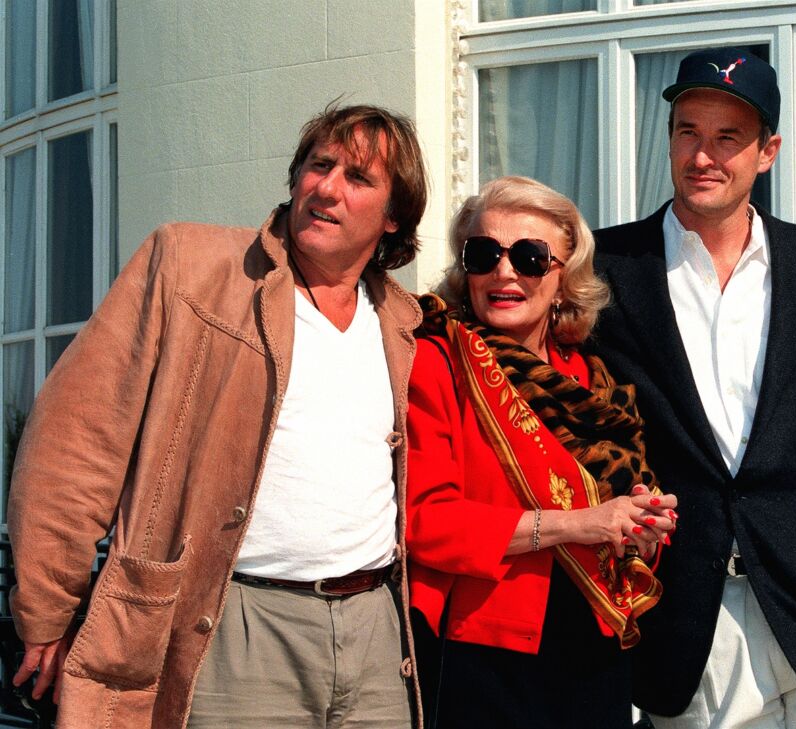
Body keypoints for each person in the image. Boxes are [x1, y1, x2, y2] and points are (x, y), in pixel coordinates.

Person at [7, 103, 429, 729]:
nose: (327, 188)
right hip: (234, 624)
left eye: (358, 178)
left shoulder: (406, 323)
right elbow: (78, 440)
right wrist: (46, 607)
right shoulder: (190, 265)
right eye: (319, 165)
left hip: (374, 629)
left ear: (394, 217)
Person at [592, 48, 796, 727]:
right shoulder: (606, 271)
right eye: (688, 132)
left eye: (727, 138)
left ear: (767, 151)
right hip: (687, 629)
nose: (703, 156)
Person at [406, 175, 677, 729]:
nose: (503, 272)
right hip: (484, 652)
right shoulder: (438, 362)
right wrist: (575, 524)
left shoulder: (592, 377)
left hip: (595, 650)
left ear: (564, 278)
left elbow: (613, 526)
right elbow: (425, 522)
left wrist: (641, 534)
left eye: (529, 257)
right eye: (483, 254)